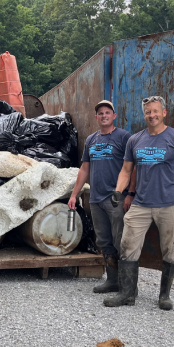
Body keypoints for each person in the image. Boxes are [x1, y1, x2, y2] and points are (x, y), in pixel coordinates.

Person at [103, 95, 174, 311]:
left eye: (156, 111)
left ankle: (164, 296)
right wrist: (118, 191)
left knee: (169, 248)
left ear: (164, 113)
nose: (152, 115)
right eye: (148, 112)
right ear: (144, 114)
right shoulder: (135, 140)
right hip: (141, 203)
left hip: (168, 203)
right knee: (127, 245)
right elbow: (126, 170)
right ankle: (127, 293)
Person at [68, 100, 132, 294]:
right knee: (104, 240)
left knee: (121, 240)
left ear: (114, 116)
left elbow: (132, 168)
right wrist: (74, 194)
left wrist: (130, 194)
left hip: (116, 199)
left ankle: (127, 285)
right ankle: (112, 280)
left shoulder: (124, 137)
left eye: (107, 112)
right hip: (96, 199)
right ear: (96, 117)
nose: (104, 116)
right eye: (100, 113)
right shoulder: (91, 140)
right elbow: (84, 169)